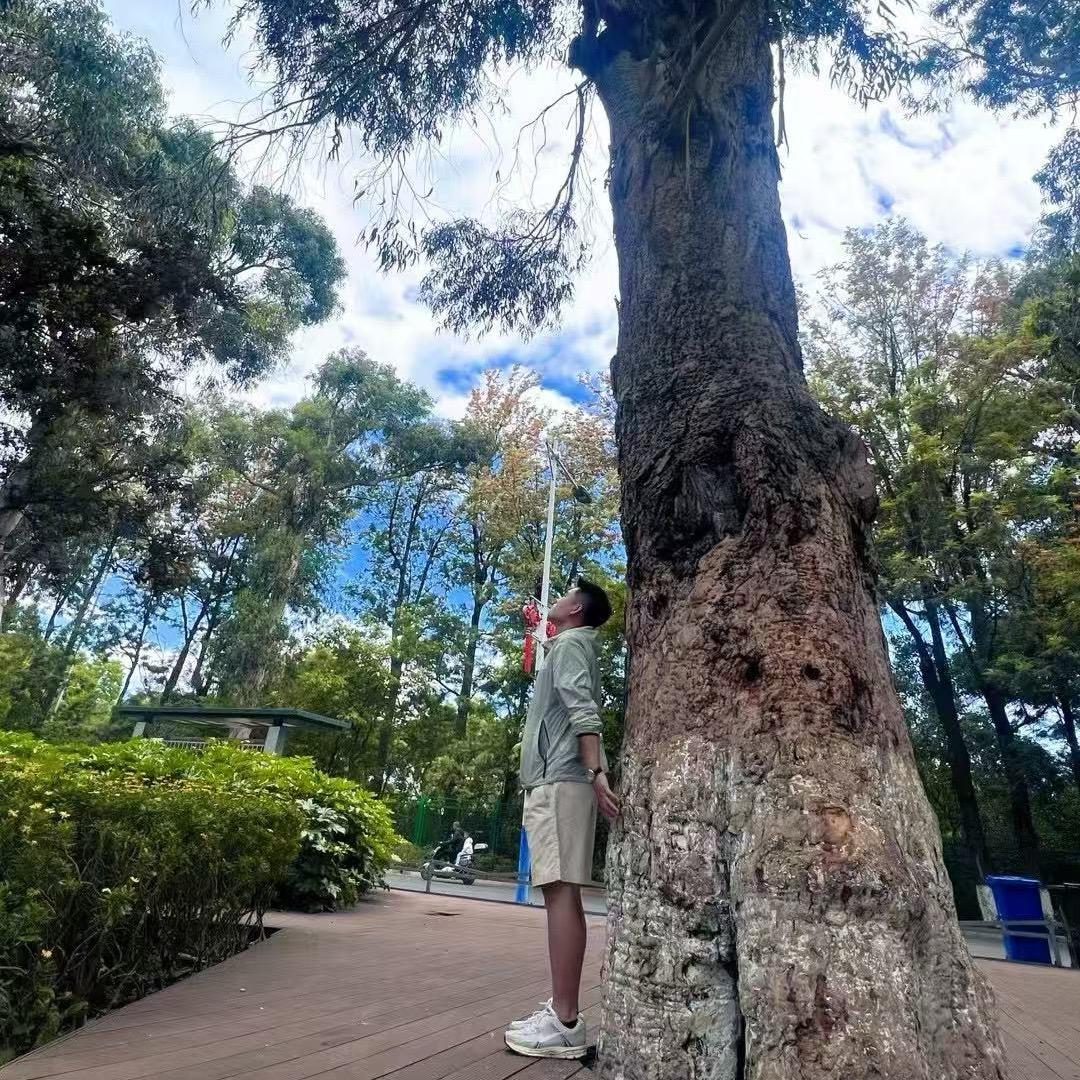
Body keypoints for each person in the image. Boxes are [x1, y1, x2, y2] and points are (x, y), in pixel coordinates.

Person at [504, 577, 618, 1060]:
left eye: (567, 592)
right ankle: (562, 1012)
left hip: (562, 780)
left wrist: (595, 770)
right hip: (561, 779)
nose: (559, 597)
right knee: (562, 892)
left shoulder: (570, 644)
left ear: (576, 609)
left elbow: (581, 706)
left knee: (561, 893)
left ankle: (566, 1021)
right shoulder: (572, 644)